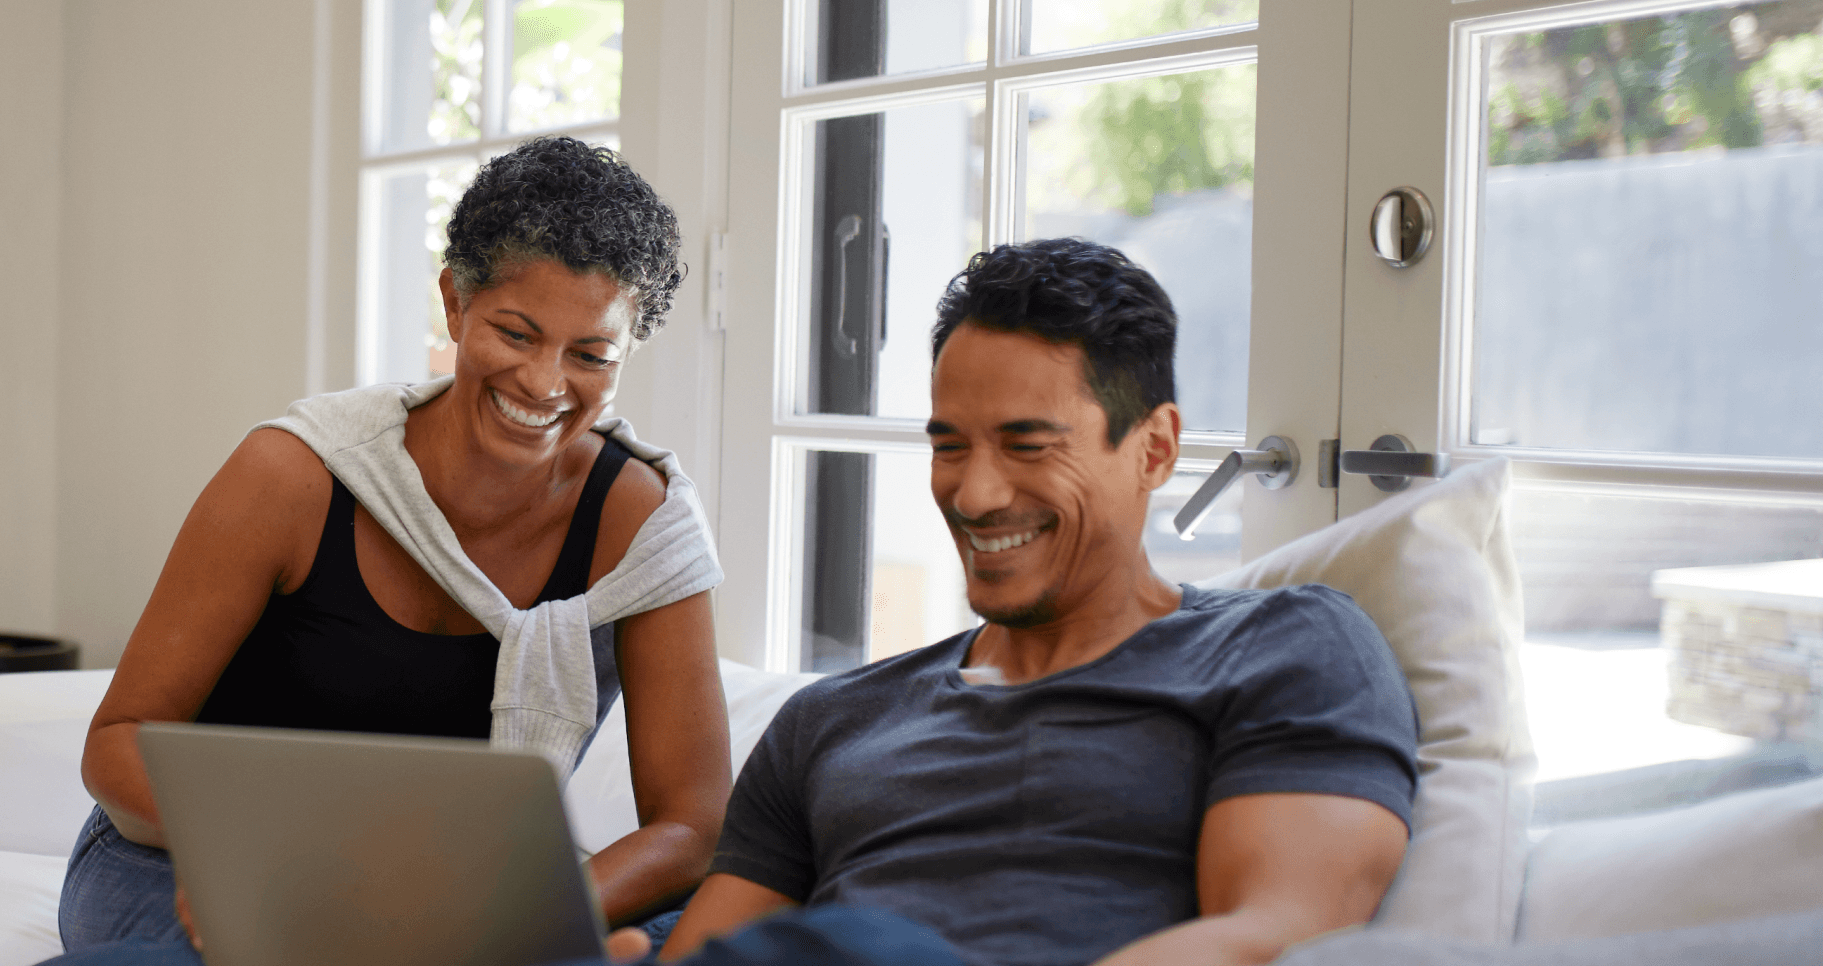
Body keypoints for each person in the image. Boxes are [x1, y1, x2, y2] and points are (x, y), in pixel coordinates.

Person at [602, 238, 1424, 966]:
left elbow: (1274, 935)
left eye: (1028, 446)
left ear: (1156, 448)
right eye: (950, 447)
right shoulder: (833, 719)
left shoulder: (1286, 647)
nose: (976, 493)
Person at [53, 137, 735, 960]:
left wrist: (505, 918)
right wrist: (299, 873)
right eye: (516, 334)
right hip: (190, 858)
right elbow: (118, 740)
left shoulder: (643, 526)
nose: (547, 383)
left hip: (463, 885)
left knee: (712, 931)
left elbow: (694, 825)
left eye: (591, 355)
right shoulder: (298, 473)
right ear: (455, 304)